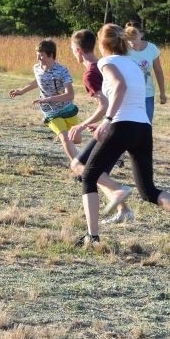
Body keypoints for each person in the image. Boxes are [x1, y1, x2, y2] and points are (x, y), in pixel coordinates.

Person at [78, 23, 170, 252]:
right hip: (142, 128)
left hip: (121, 126)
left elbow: (119, 88)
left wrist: (108, 120)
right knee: (148, 191)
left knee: (89, 176)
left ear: (102, 44)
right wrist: (99, 122)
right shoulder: (133, 64)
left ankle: (93, 238)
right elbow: (126, 97)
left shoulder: (106, 62)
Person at [69, 29, 134, 224]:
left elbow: (104, 104)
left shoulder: (90, 73)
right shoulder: (104, 65)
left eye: (72, 49)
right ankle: (124, 211)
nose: (73, 53)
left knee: (78, 165)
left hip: (114, 126)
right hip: (122, 123)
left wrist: (83, 124)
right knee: (99, 173)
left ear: (79, 50)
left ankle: (119, 190)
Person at [8, 39, 81, 161]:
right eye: (37, 55)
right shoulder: (37, 68)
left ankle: (66, 138)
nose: (38, 58)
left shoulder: (62, 70)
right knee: (65, 138)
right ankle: (79, 165)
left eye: (41, 55)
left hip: (67, 109)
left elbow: (70, 95)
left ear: (51, 55)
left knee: (77, 139)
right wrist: (21, 91)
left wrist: (49, 99)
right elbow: (38, 81)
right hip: (50, 112)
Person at [124, 22, 167, 122]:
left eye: (134, 35)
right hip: (127, 94)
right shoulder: (122, 49)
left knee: (147, 123)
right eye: (128, 36)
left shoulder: (151, 48)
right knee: (129, 124)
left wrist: (162, 93)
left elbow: (158, 71)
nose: (131, 40)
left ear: (142, 34)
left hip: (147, 94)